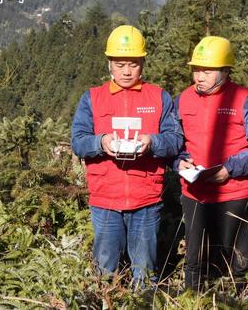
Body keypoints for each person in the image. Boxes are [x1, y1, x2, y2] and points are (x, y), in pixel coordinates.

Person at [71, 25, 183, 288]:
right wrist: (101, 142)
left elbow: (175, 139)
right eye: (120, 64)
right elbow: (78, 142)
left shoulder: (159, 97)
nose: (126, 70)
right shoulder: (92, 98)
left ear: (142, 63)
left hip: (146, 199)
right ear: (110, 63)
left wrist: (151, 142)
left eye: (133, 64)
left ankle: (143, 303)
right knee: (105, 268)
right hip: (105, 199)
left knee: (144, 271)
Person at [174, 35, 248, 291]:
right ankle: (192, 302)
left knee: (243, 261)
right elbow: (174, 143)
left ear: (226, 70)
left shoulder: (244, 99)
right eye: (196, 69)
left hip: (235, 193)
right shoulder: (182, 99)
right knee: (195, 260)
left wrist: (230, 169)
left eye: (207, 70)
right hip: (194, 193)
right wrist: (179, 162)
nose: (199, 76)